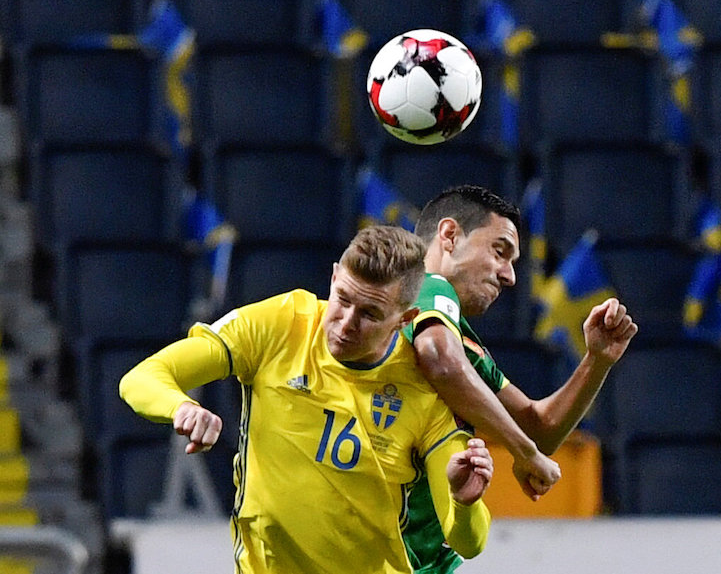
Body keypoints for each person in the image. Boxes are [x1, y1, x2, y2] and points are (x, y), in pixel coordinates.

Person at [119, 225, 494, 574]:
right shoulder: (281, 325)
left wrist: (464, 503)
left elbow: (469, 541)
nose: (346, 323)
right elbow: (141, 379)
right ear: (333, 277)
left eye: (369, 314)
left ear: (404, 318)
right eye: (342, 298)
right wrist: (180, 407)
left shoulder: (426, 390)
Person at [402, 185, 639, 573]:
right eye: (499, 251)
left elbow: (537, 428)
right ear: (449, 236)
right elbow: (439, 359)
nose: (510, 276)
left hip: (420, 558)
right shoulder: (425, 291)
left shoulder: (458, 341)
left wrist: (596, 361)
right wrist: (524, 453)